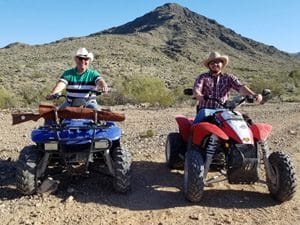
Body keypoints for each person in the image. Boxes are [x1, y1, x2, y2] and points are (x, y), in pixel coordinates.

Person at [193, 51, 262, 124]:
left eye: (217, 62)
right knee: (200, 119)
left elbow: (240, 87)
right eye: (212, 63)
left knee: (243, 121)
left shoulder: (229, 77)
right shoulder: (203, 77)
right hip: (207, 109)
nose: (215, 64)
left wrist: (254, 95)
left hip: (223, 110)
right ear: (209, 65)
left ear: (222, 64)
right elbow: (197, 89)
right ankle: (191, 134)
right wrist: (199, 96)